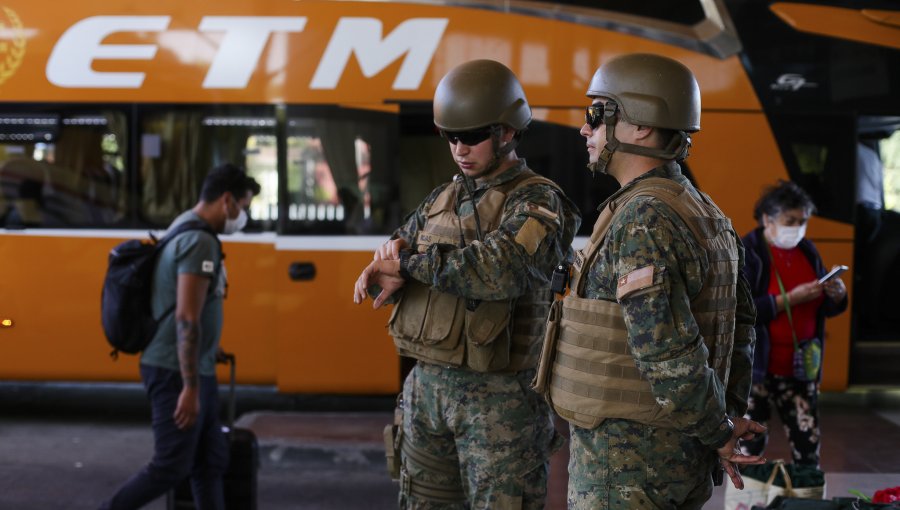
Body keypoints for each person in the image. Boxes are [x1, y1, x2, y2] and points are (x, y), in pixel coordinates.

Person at [533, 53, 765, 509]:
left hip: (627, 469)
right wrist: (722, 421)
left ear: (640, 125)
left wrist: (719, 430)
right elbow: (740, 332)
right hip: (670, 462)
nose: (585, 130)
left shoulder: (645, 217)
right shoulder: (703, 212)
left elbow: (665, 352)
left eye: (596, 115)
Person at [352, 59, 581, 509]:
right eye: (451, 136)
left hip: (501, 403)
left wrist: (411, 264)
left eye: (473, 135)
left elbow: (502, 268)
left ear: (508, 132)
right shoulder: (443, 196)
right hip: (427, 392)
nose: (460, 148)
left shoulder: (538, 200)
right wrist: (390, 256)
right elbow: (405, 245)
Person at [100, 163, 260, 510]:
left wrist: (207, 352)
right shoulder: (199, 241)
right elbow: (186, 318)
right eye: (244, 208)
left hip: (193, 367)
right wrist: (189, 387)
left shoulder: (183, 227)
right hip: (176, 372)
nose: (243, 217)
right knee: (170, 466)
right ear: (228, 201)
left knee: (209, 462)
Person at [740, 179, 848, 467]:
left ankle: (806, 497)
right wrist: (788, 299)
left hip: (800, 368)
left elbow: (822, 307)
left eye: (803, 221)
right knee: (750, 451)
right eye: (790, 221)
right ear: (767, 218)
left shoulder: (807, 250)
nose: (797, 229)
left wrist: (836, 296)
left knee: (807, 446)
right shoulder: (748, 252)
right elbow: (741, 310)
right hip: (757, 371)